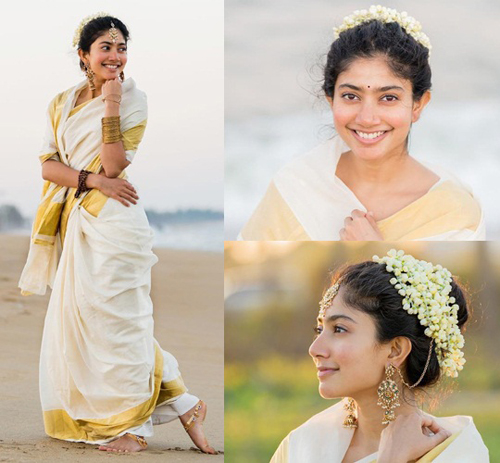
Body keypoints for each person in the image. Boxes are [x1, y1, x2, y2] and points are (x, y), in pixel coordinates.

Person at [18, 13, 216, 454]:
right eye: (105, 47)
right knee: (91, 320)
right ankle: (185, 404)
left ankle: (136, 430)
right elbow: (49, 165)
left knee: (122, 321)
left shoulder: (134, 99)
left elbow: (114, 165)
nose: (115, 55)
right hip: (82, 217)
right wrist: (90, 182)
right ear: (83, 55)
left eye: (121, 47)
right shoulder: (62, 101)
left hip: (117, 224)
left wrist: (111, 104)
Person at [240, 6, 484, 241]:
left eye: (388, 98)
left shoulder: (453, 212)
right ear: (331, 99)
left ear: (418, 105)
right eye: (351, 96)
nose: (367, 118)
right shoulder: (295, 189)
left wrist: (373, 249)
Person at [271, 249, 489, 462]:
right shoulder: (300, 446)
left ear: (395, 350)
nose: (315, 349)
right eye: (320, 330)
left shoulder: (455, 453)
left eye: (339, 329)